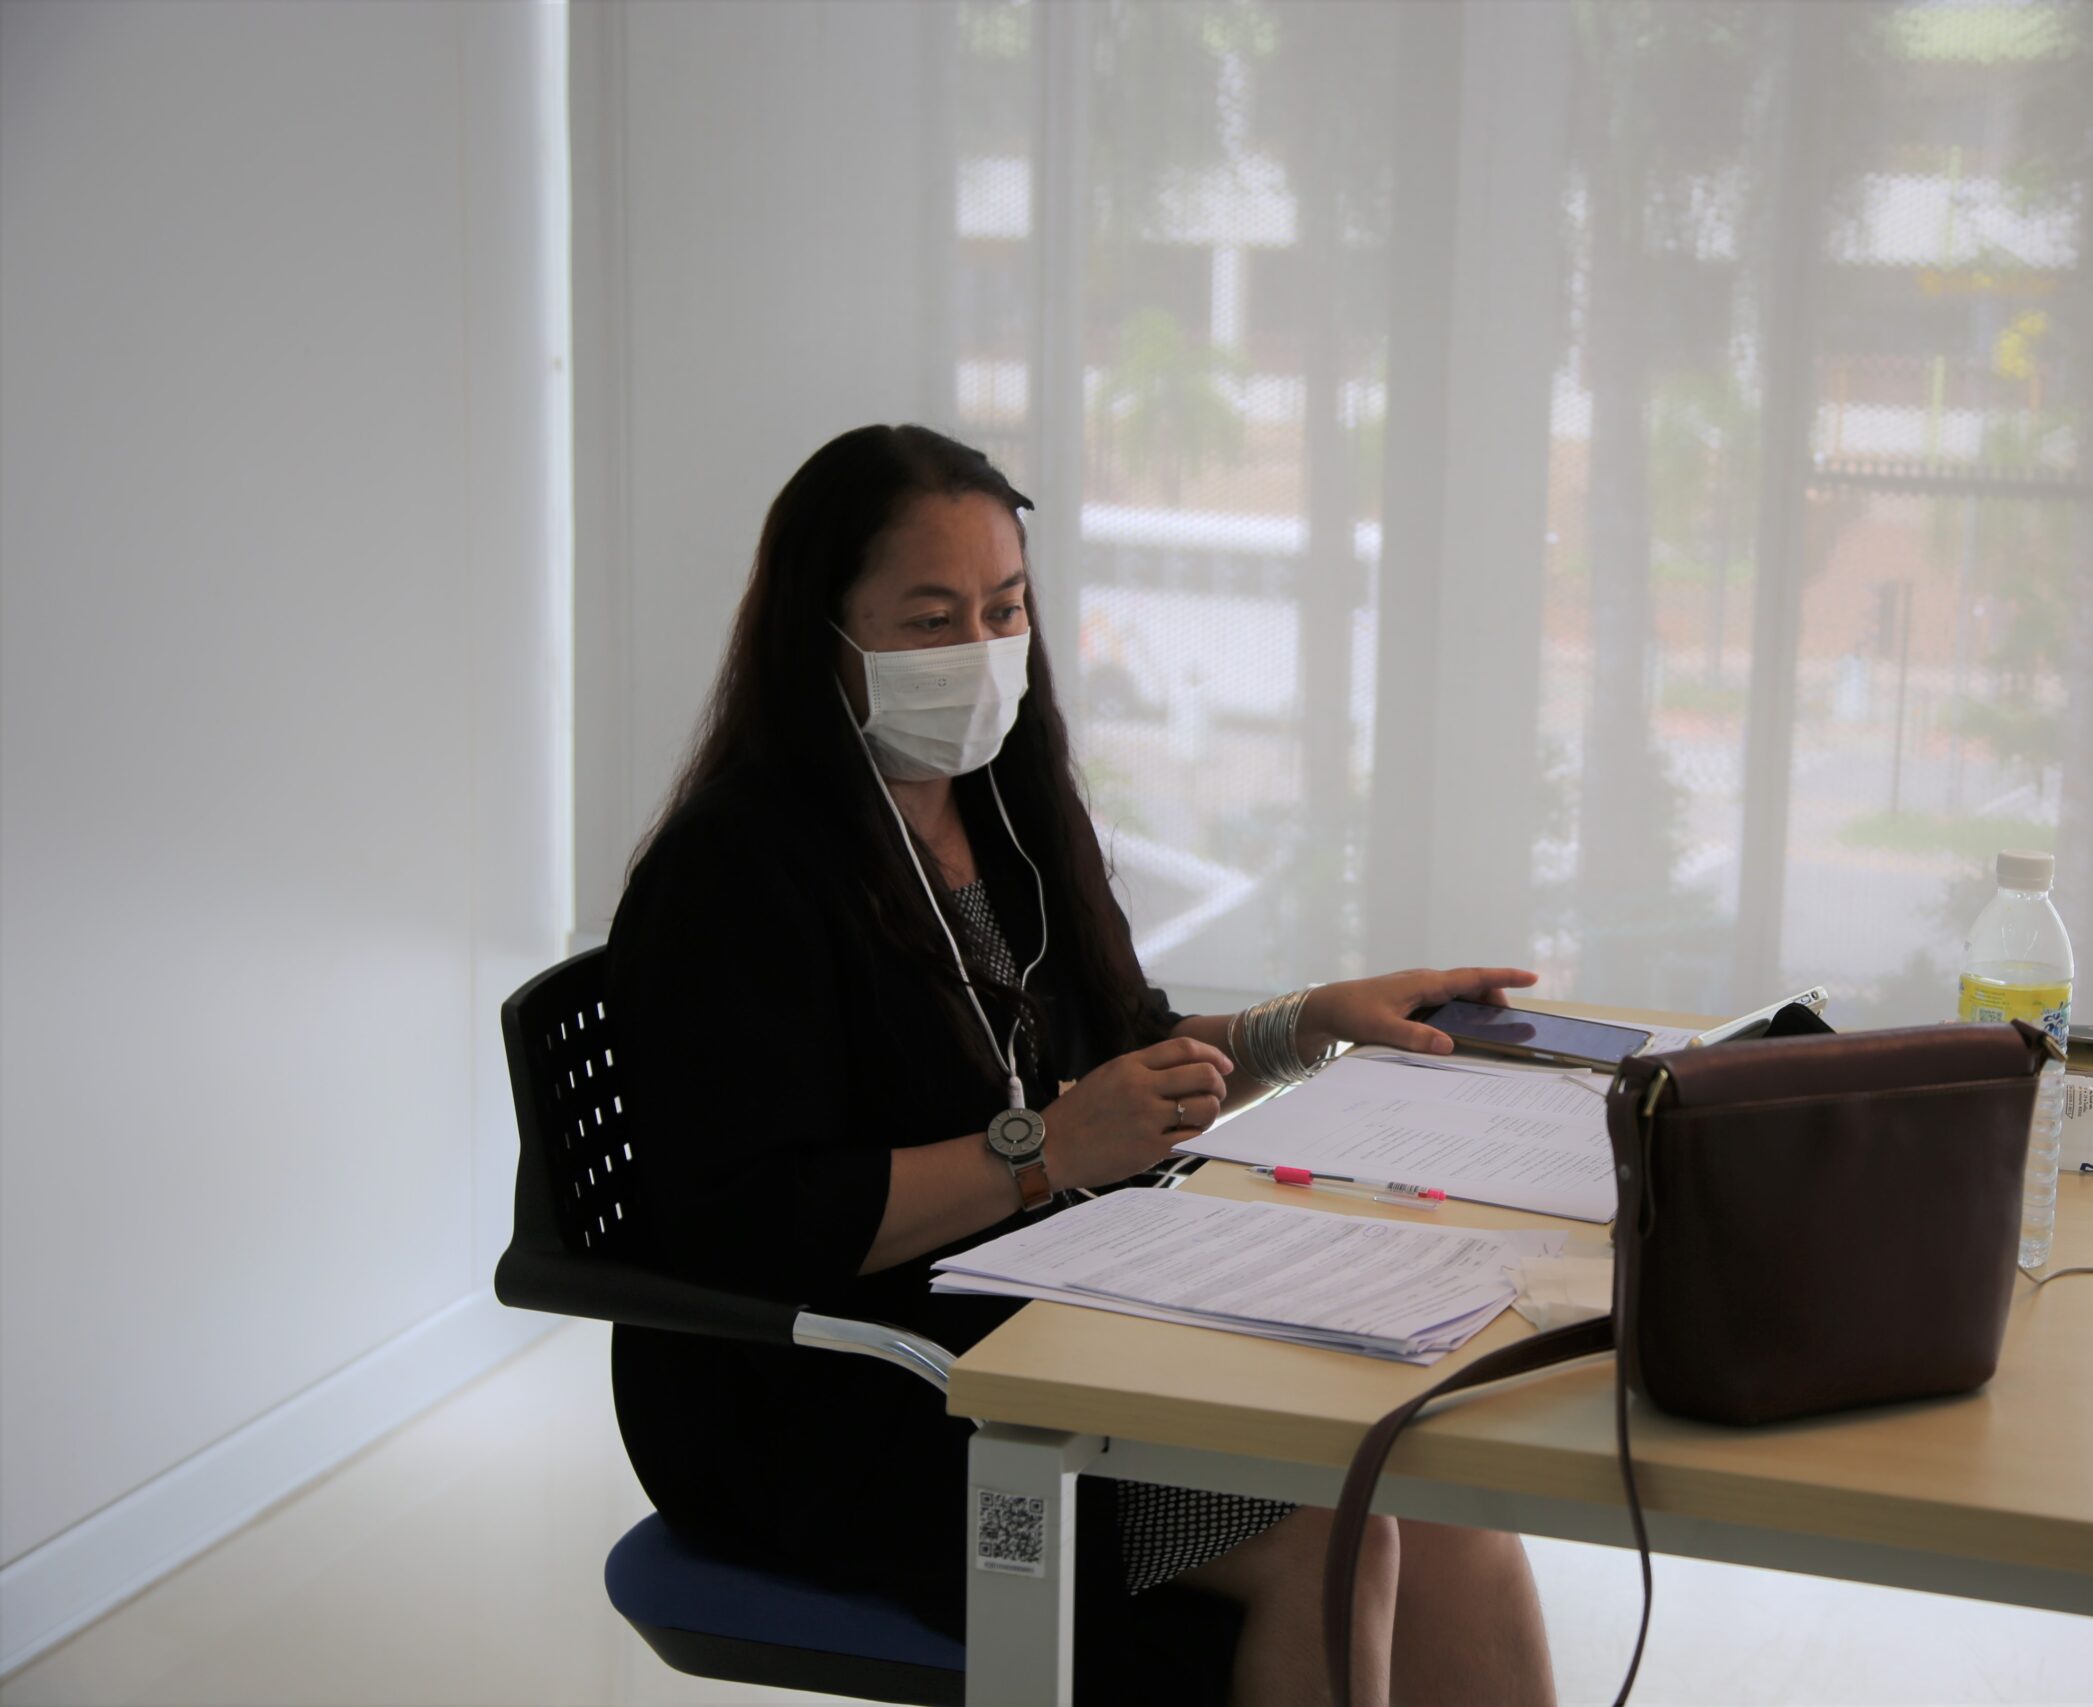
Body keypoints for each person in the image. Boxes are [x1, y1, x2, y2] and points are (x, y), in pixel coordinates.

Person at [607, 424, 1559, 1706]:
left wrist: (1307, 1025)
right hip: (840, 1396)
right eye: (929, 619)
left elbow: (1126, 1055)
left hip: (1036, 1327)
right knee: (1331, 1539)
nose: (979, 649)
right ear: (817, 635)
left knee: (1440, 1497)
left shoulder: (1000, 810)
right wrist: (1043, 1152)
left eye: (1003, 609)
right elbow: (755, 1222)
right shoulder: (735, 872)